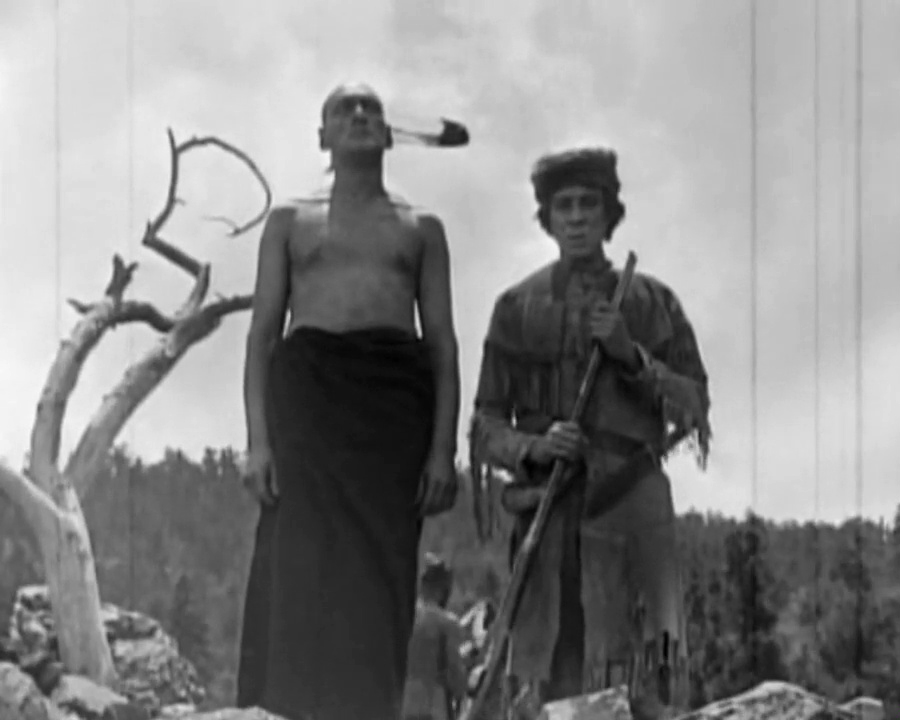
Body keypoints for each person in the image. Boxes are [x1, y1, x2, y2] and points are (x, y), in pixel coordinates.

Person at [236, 82, 461, 720]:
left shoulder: (422, 228)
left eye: (371, 109)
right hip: (307, 406)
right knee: (296, 563)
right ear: (323, 137)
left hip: (392, 414)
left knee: (383, 572)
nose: (360, 115)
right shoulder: (290, 221)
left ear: (389, 135)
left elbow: (442, 342)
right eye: (344, 109)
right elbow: (261, 336)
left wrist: (442, 451)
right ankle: (285, 710)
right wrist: (258, 443)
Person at [469, 147, 711, 719]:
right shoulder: (516, 307)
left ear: (610, 215)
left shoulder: (652, 303)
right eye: (564, 206)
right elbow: (484, 424)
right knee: (543, 673)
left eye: (588, 205)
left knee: (637, 679)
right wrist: (535, 446)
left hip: (629, 512)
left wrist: (632, 356)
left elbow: (695, 405)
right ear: (547, 219)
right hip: (546, 515)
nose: (576, 218)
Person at [401, 553, 469, 720]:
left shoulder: (404, 617)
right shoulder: (446, 622)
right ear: (442, 588)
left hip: (403, 706)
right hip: (432, 708)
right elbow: (455, 674)